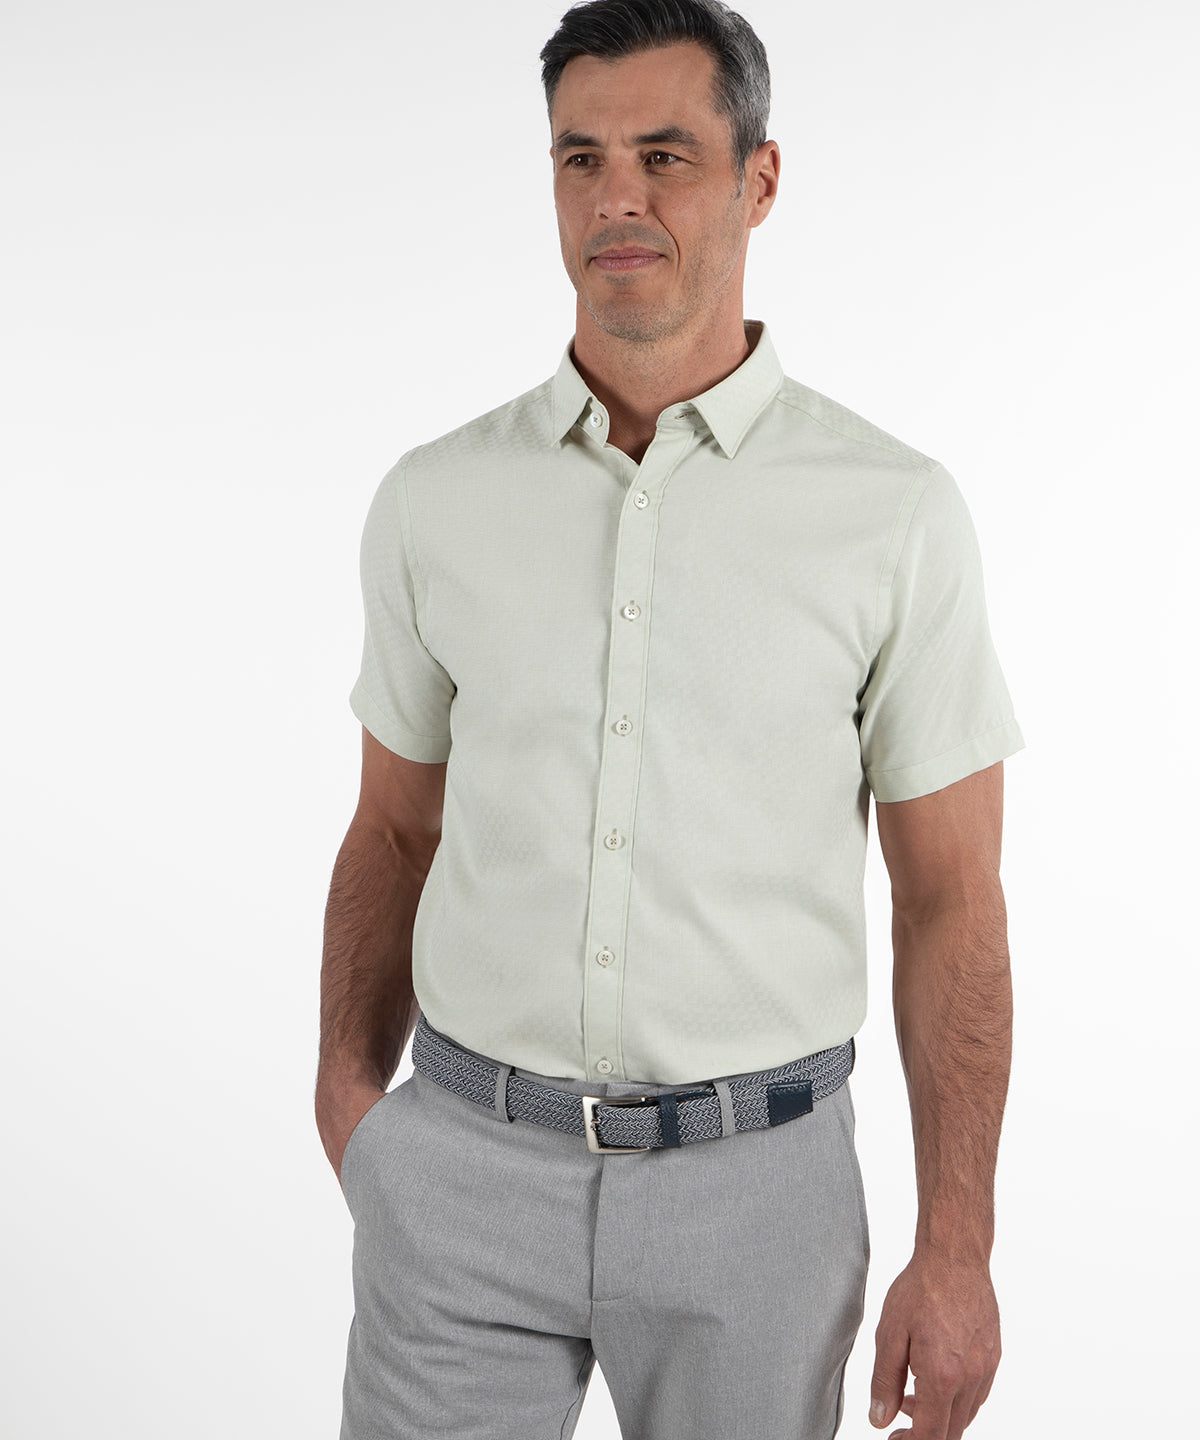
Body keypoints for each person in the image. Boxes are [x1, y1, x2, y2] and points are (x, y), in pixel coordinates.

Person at [315, 2, 1024, 1437]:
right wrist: (351, 1105)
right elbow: (393, 828)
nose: (616, 198)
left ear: (760, 180)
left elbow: (951, 897)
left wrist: (957, 1248)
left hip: (757, 1195)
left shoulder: (893, 515)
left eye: (664, 155)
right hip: (460, 1177)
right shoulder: (435, 502)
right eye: (580, 158)